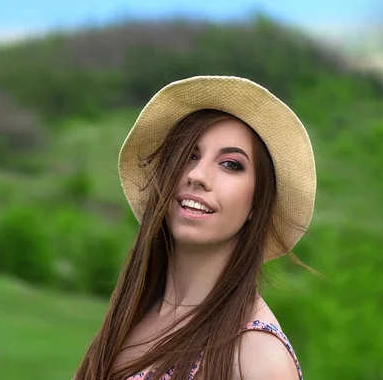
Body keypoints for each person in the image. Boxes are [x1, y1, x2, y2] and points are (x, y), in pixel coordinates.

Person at [72, 75, 316, 380]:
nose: (197, 175)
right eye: (190, 155)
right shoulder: (130, 318)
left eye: (231, 164)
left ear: (257, 203)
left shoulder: (258, 357)